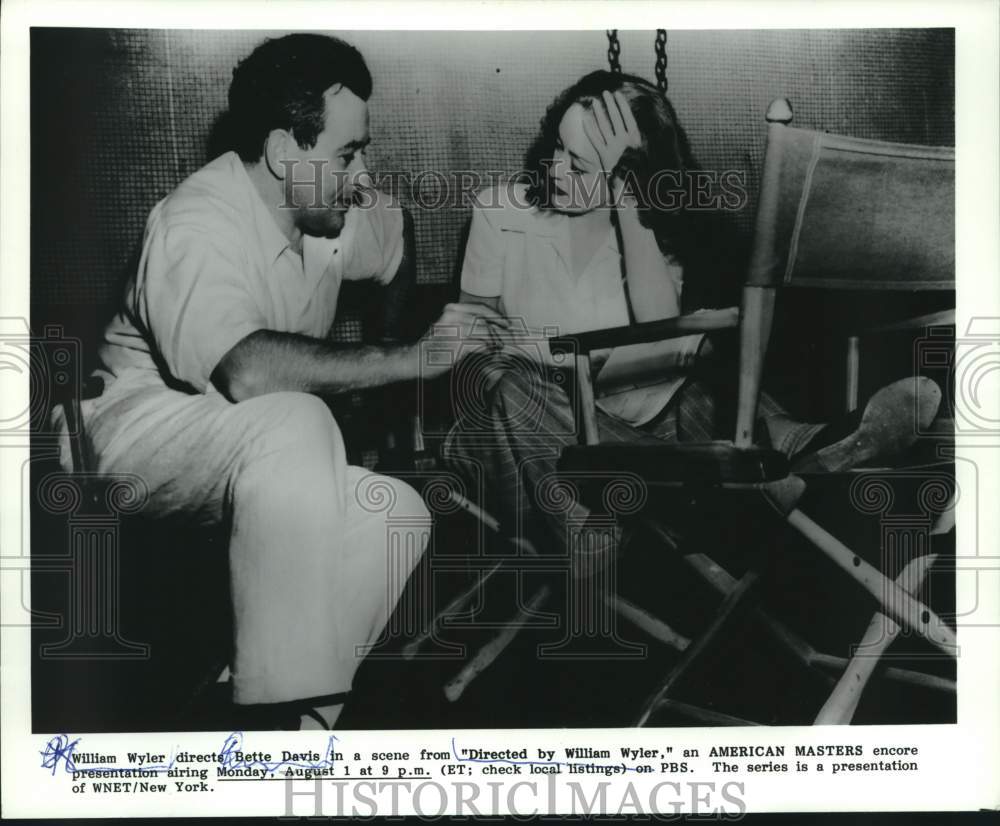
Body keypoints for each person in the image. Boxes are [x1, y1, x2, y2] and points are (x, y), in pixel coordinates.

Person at [52, 33, 506, 729]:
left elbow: (397, 234)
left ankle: (294, 726)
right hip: (128, 441)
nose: (363, 174)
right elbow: (248, 371)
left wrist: (394, 361)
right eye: (348, 153)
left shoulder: (325, 212)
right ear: (284, 150)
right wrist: (409, 360)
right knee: (295, 417)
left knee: (397, 513)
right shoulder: (195, 220)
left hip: (250, 448)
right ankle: (272, 716)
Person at [443, 70, 941, 571]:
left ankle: (799, 444)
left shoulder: (649, 230)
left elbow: (658, 329)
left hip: (618, 435)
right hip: (513, 441)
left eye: (579, 164)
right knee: (513, 387)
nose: (555, 170)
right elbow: (466, 348)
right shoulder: (499, 212)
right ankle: (739, 485)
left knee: (694, 377)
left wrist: (628, 199)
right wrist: (555, 375)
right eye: (557, 149)